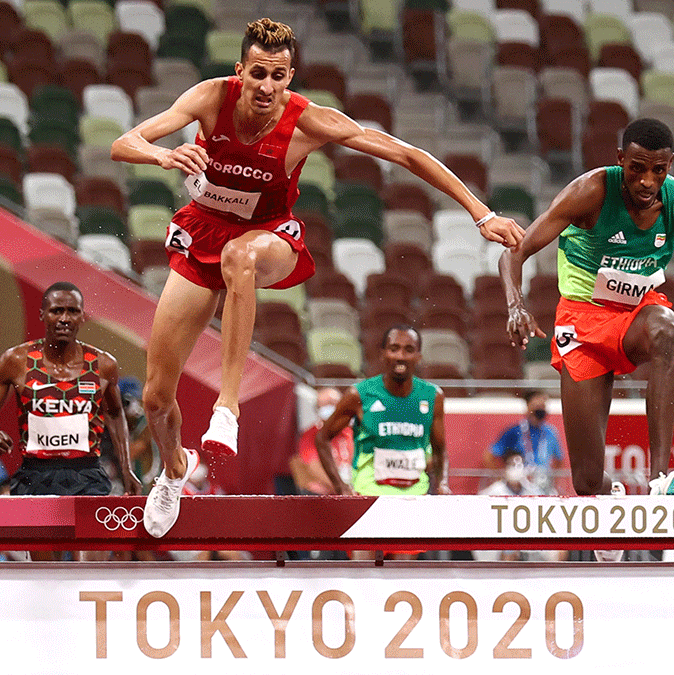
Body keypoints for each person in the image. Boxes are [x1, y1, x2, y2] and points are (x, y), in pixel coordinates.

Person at [110, 18, 524, 537]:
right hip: (203, 232)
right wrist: (162, 153)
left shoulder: (309, 122)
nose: (267, 87)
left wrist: (481, 214)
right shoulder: (210, 98)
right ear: (240, 71)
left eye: (278, 76)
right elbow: (124, 143)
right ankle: (173, 469)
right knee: (154, 396)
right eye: (258, 73)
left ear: (289, 77)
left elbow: (405, 154)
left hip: (268, 237)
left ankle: (227, 409)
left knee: (241, 256)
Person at [499, 117, 674, 497]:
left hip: (637, 314)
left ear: (670, 166)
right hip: (582, 320)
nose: (647, 182)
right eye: (636, 169)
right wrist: (515, 305)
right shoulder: (590, 192)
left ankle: (659, 478)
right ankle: (610, 495)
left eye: (659, 170)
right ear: (621, 160)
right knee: (585, 481)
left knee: (665, 327)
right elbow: (514, 253)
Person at [0, 281, 140, 560]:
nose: (64, 319)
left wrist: (126, 467)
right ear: (42, 314)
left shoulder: (103, 365)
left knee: (90, 572)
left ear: (83, 316)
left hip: (87, 476)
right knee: (46, 577)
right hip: (36, 476)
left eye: (72, 312)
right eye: (57, 310)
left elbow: (115, 413)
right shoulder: (16, 361)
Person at [314, 325, 447, 561]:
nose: (401, 356)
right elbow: (322, 438)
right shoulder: (360, 395)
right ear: (383, 353)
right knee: (363, 579)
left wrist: (441, 484)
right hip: (368, 498)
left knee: (401, 585)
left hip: (412, 500)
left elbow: (440, 449)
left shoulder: (432, 396)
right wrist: (341, 487)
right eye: (394, 349)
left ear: (419, 356)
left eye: (408, 350)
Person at [475, 449, 567, 563]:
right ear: (505, 468)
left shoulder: (533, 491)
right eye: (512, 464)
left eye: (520, 464)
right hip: (503, 541)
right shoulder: (491, 493)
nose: (516, 468)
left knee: (559, 550)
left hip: (530, 539)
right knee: (509, 552)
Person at [482, 390, 565, 494]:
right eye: (536, 406)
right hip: (521, 485)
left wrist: (553, 481)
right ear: (528, 407)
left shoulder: (551, 433)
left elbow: (559, 460)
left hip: (542, 483)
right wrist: (502, 476)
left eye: (542, 406)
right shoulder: (515, 431)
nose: (539, 410)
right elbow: (489, 456)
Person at [290, 387, 354, 496]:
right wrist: (341, 488)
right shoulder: (310, 435)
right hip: (326, 494)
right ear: (317, 408)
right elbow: (315, 467)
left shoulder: (350, 432)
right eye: (324, 404)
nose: (329, 407)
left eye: (333, 403)